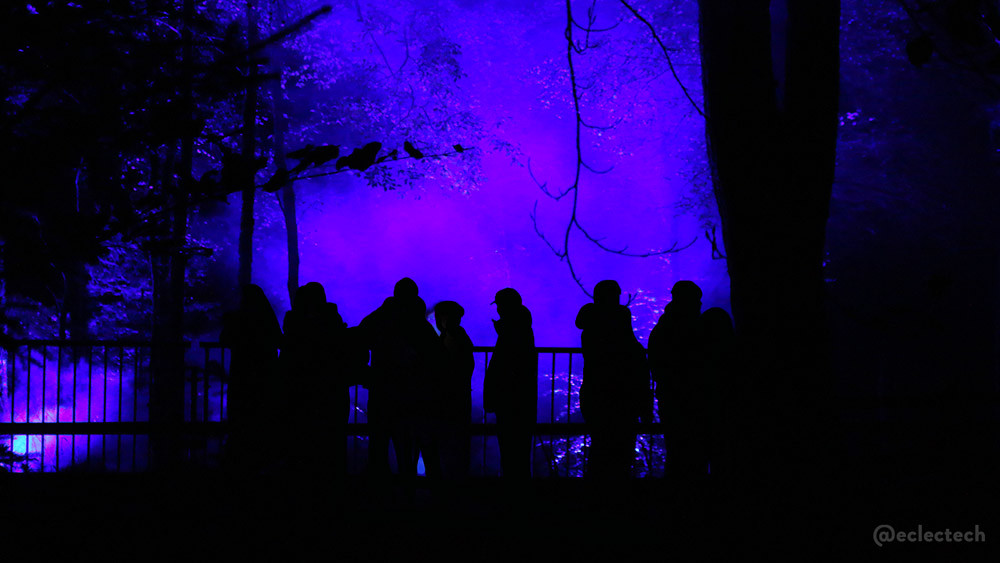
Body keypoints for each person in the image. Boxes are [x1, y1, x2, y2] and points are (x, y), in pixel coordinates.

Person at [359, 278, 440, 484]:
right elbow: (435, 355)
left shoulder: (381, 317)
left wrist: (365, 372)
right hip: (411, 393)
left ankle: (380, 491)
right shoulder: (419, 323)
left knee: (378, 443)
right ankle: (408, 490)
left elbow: (360, 336)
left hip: (382, 389)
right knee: (407, 446)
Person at [575, 280, 653, 481]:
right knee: (621, 449)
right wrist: (644, 406)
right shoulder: (622, 330)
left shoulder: (589, 329)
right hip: (623, 395)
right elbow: (636, 365)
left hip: (595, 393)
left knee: (600, 445)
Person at [279, 282, 350, 478]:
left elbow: (289, 350)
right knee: (330, 441)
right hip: (330, 389)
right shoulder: (332, 320)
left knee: (303, 438)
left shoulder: (295, 321)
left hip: (302, 389)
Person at [220, 284, 282, 473]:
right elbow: (278, 340)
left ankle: (239, 462)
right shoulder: (266, 319)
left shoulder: (239, 319)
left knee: (241, 417)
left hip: (242, 375)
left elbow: (225, 339)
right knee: (260, 417)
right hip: (264, 377)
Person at [648, 280, 705, 479]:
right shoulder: (692, 329)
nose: (699, 305)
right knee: (691, 450)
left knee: (677, 449)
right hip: (689, 396)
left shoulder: (664, 327)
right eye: (697, 301)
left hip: (670, 394)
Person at [483, 288, 537, 480]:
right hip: (520, 400)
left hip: (509, 400)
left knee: (510, 447)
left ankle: (513, 491)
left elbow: (503, 367)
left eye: (499, 305)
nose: (497, 309)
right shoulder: (522, 328)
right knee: (519, 450)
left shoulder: (512, 333)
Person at [433, 300, 475, 479]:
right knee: (457, 443)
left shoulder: (450, 337)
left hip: (450, 397)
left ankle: (451, 483)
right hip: (458, 395)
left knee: (450, 442)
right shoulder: (459, 336)